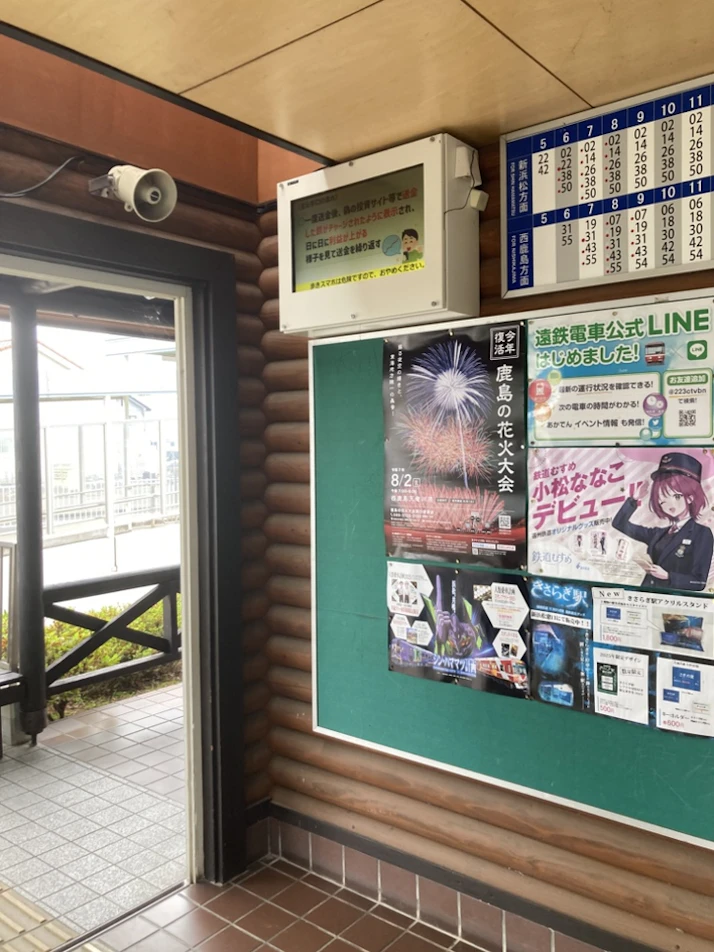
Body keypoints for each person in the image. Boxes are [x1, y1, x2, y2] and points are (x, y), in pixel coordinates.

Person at [612, 452, 713, 591]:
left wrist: (668, 576)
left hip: (675, 599)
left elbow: (699, 582)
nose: (668, 504)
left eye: (675, 496)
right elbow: (619, 524)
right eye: (662, 499)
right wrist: (634, 499)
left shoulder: (701, 533)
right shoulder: (658, 533)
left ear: (690, 497)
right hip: (646, 594)